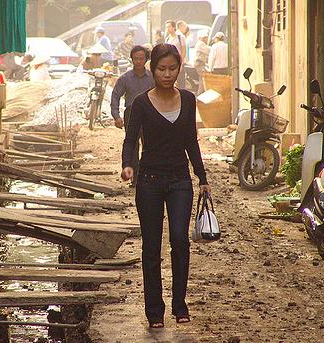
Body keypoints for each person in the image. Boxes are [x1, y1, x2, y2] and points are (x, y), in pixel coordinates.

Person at [121, 43, 211, 328]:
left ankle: (179, 304)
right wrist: (128, 164)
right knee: (151, 247)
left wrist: (203, 177)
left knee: (180, 241)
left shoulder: (188, 99)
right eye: (162, 69)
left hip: (180, 181)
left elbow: (191, 141)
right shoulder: (140, 103)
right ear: (152, 69)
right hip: (148, 181)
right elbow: (130, 139)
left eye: (173, 69)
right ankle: (154, 311)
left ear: (179, 69)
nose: (167, 74)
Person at [111, 46, 155, 186]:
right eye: (135, 58)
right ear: (132, 60)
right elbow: (115, 95)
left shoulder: (153, 78)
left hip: (150, 114)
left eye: (141, 58)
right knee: (133, 145)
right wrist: (116, 116)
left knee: (150, 145)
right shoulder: (125, 78)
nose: (138, 61)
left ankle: (148, 175)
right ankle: (135, 177)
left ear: (146, 59)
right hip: (131, 113)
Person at [165, 20, 186, 87]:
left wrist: (181, 62)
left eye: (169, 27)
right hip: (170, 63)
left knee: (181, 81)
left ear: (173, 27)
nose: (167, 29)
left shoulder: (180, 37)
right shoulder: (168, 39)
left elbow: (183, 50)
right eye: (166, 27)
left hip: (178, 62)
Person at [193, 30, 210, 95]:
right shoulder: (200, 44)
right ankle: (200, 94)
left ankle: (201, 94)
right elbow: (208, 50)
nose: (206, 39)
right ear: (200, 38)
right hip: (199, 64)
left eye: (206, 37)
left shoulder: (201, 44)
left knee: (202, 79)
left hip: (201, 64)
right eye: (204, 38)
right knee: (203, 79)